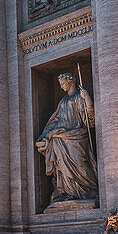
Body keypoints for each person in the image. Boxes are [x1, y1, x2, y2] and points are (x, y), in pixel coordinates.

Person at [36, 72, 98, 204]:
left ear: (70, 82)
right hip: (60, 137)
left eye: (63, 84)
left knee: (80, 164)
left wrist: (87, 99)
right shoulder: (63, 101)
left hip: (76, 136)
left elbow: (88, 119)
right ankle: (69, 192)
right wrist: (45, 135)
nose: (61, 87)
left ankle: (88, 190)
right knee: (62, 167)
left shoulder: (79, 98)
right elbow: (55, 120)